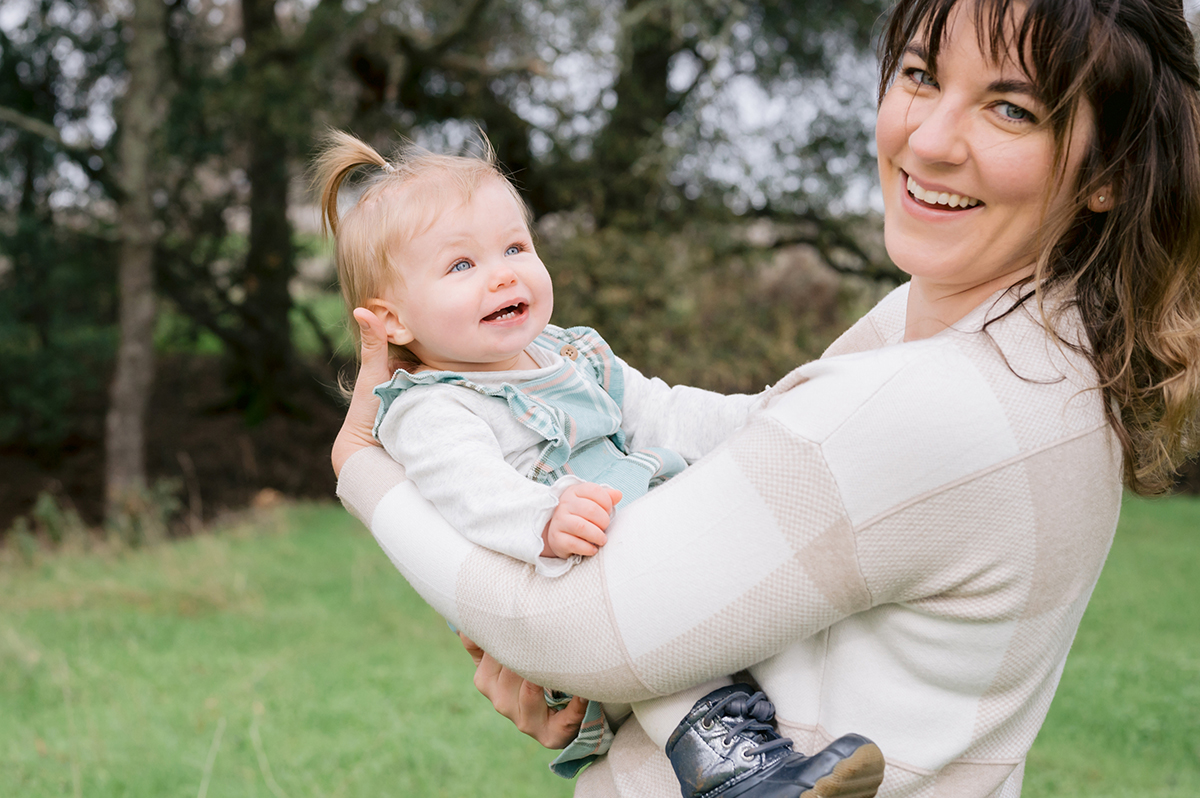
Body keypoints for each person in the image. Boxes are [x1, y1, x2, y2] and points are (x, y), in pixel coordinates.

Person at [331, 0, 1200, 794]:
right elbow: (764, 456)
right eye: (920, 75)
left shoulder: (947, 401)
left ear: (1109, 172)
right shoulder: (1014, 342)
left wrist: (362, 469)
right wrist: (557, 660)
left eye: (1011, 107)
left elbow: (583, 632)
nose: (930, 140)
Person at [312, 133, 886, 796]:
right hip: (567, 593)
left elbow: (660, 410)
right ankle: (736, 772)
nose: (503, 273)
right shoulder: (430, 408)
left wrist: (763, 417)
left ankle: (778, 736)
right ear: (391, 322)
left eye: (515, 247)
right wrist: (542, 516)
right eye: (461, 266)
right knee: (668, 652)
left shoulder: (572, 355)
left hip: (650, 554)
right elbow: (468, 489)